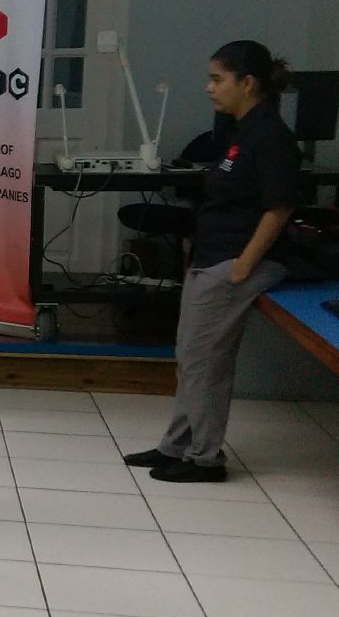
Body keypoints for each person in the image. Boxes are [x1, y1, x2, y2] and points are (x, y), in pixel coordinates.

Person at [124, 41, 302, 483]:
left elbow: (279, 208)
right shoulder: (241, 130)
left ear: (248, 83)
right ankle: (176, 445)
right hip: (213, 256)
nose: (209, 88)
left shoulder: (271, 136)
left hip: (234, 261)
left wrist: (242, 266)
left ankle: (204, 458)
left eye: (218, 79)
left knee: (205, 361)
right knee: (191, 356)